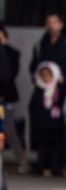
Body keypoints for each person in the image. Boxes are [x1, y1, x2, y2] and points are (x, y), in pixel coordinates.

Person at [30, 61, 66, 177]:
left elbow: (63, 105)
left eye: (48, 75)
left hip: (56, 123)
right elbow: (33, 107)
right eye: (43, 75)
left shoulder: (60, 89)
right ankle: (41, 167)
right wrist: (37, 120)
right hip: (42, 123)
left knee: (56, 147)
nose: (46, 78)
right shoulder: (38, 90)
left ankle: (56, 168)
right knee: (42, 147)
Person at [0, 26, 28, 173]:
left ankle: (22, 160)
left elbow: (9, 75)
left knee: (9, 130)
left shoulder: (11, 53)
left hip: (4, 100)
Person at [29, 13, 66, 85]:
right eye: (48, 23)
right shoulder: (39, 45)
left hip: (65, 88)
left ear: (61, 25)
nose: (51, 26)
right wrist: (39, 80)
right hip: (44, 88)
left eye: (54, 22)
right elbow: (34, 67)